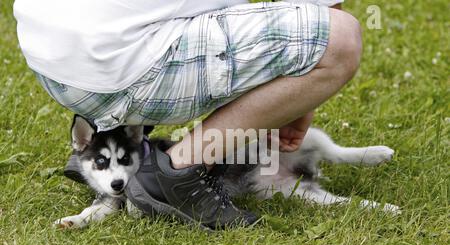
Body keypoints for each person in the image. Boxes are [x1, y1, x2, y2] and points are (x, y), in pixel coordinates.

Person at [14, 0, 361, 229]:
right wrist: (302, 93)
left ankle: (112, 143)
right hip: (118, 62)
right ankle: (175, 173)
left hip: (50, 57)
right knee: (340, 37)